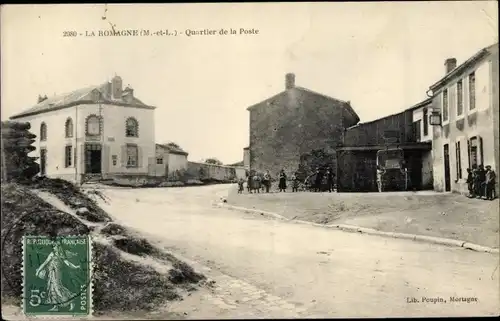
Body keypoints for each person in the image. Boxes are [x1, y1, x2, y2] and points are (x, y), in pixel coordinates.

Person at [35, 243, 80, 312]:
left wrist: (75, 267)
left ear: (59, 247)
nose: (54, 248)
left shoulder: (62, 255)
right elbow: (45, 263)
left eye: (55, 246)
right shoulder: (52, 254)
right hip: (51, 273)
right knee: (51, 288)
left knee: (58, 288)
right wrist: (38, 271)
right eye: (53, 247)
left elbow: (68, 263)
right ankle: (55, 306)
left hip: (57, 273)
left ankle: (71, 301)